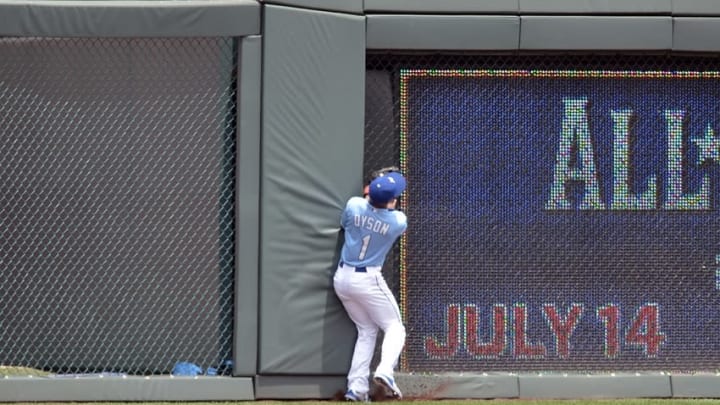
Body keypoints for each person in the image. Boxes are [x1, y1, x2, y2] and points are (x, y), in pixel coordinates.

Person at [334, 172, 408, 402]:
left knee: (367, 331)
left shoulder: (354, 204)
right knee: (395, 327)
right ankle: (386, 370)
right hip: (368, 280)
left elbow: (348, 223)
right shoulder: (397, 221)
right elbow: (386, 210)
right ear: (392, 200)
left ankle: (356, 390)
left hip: (342, 279)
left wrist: (376, 189)